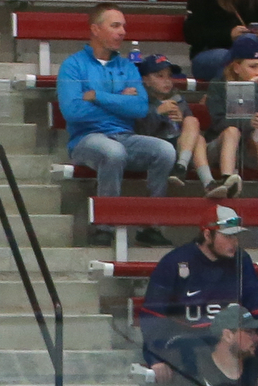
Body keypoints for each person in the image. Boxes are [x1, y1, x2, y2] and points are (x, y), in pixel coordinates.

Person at [60, 5, 174, 248]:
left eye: (123, 26)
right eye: (115, 26)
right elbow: (73, 111)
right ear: (95, 29)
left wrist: (99, 96)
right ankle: (103, 226)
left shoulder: (127, 66)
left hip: (125, 134)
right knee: (113, 152)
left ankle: (151, 226)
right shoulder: (73, 66)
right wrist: (122, 98)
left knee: (165, 151)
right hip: (87, 138)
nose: (122, 32)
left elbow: (140, 108)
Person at [139, 204, 258, 382]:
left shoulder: (242, 261)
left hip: (229, 348)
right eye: (228, 236)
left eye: (236, 236)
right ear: (207, 234)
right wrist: (156, 358)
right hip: (186, 348)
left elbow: (256, 309)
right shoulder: (174, 262)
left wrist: (250, 341)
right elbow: (152, 317)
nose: (235, 242)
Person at [204, 35, 258, 200]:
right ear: (236, 67)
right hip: (220, 146)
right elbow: (218, 122)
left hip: (249, 149)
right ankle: (227, 181)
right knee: (232, 131)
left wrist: (257, 97)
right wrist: (247, 121)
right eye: (253, 66)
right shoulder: (218, 85)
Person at [133, 56, 211, 195]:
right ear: (145, 80)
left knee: (192, 123)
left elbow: (189, 131)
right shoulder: (139, 99)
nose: (167, 81)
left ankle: (188, 170)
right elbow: (142, 131)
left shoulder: (177, 97)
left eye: (169, 76)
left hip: (179, 146)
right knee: (198, 139)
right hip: (153, 147)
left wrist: (181, 121)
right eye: (160, 76)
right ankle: (205, 181)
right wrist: (158, 113)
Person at [185, 0, 258, 86]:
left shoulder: (257, 2)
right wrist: (228, 35)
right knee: (231, 58)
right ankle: (230, 96)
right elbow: (191, 34)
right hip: (207, 54)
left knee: (251, 53)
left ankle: (251, 95)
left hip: (247, 57)